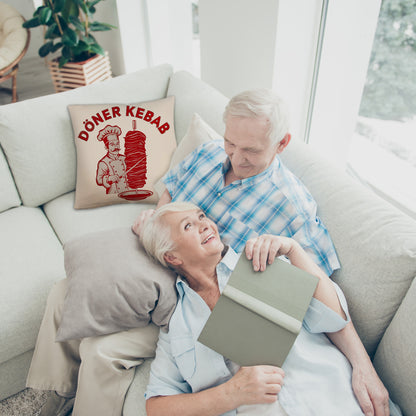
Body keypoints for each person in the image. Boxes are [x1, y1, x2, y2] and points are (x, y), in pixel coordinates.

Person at [133, 89, 389, 414]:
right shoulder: (209, 154)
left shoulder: (288, 217)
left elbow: (322, 301)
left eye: (250, 150)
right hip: (169, 289)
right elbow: (171, 189)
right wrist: (158, 225)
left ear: (281, 144)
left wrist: (363, 366)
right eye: (231, 143)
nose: (236, 158)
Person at [140, 201, 398, 416]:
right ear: (172, 257)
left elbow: (333, 318)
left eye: (202, 216)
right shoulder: (177, 326)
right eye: (188, 226)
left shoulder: (261, 261)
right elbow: (157, 406)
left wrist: (294, 250)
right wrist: (231, 393)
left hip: (338, 401)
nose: (205, 224)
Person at [96, 124, 129, 194]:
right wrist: (109, 178)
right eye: (112, 144)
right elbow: (99, 180)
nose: (116, 147)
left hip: (128, 192)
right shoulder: (103, 162)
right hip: (114, 193)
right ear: (106, 147)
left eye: (117, 143)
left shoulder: (124, 158)